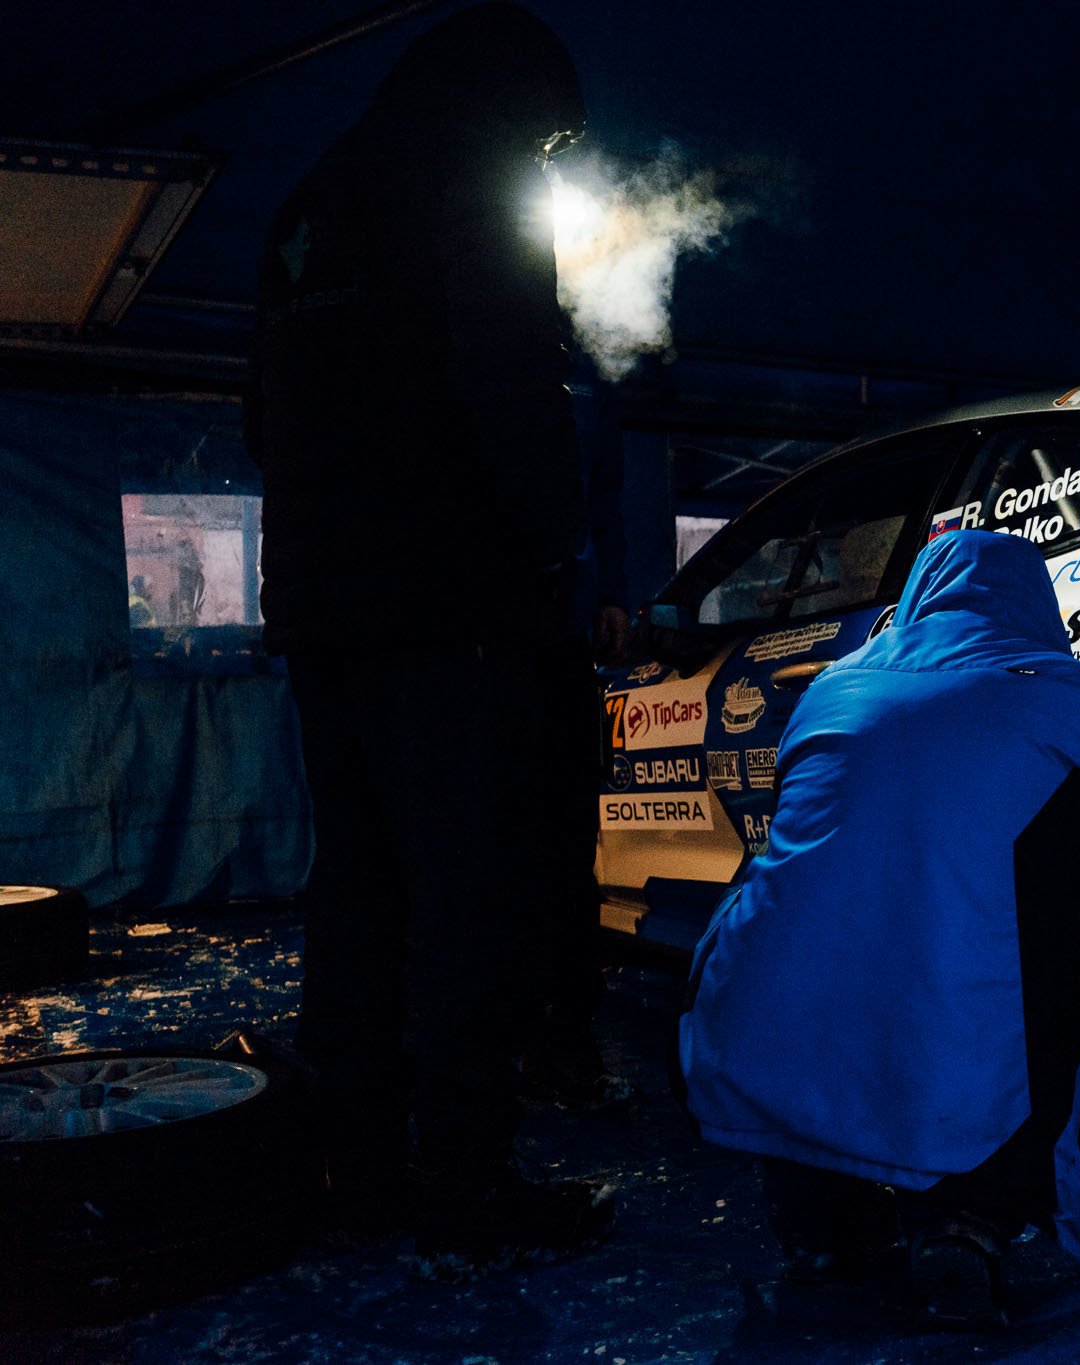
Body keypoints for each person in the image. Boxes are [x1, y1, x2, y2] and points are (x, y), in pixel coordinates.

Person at [244, 3, 614, 1275]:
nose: (548, 161)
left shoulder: (306, 204)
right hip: (450, 605)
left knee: (359, 889)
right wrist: (551, 549)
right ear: (511, 101)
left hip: (324, 611)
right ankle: (467, 1181)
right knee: (474, 894)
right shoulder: (468, 180)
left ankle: (354, 1166)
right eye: (550, 138)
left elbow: (261, 421)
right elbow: (511, 384)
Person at [678, 530, 1080, 1328]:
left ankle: (823, 1209)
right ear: (1040, 610)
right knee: (1060, 956)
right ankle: (977, 1216)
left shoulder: (832, 690)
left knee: (840, 924)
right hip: (957, 1049)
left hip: (753, 1037)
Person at [521, 352, 633, 1111]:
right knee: (512, 851)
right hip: (486, 639)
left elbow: (606, 497)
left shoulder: (586, 378)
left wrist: (611, 593)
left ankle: (561, 1036)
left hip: (555, 643)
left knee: (563, 849)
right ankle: (528, 1034)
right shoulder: (476, 343)